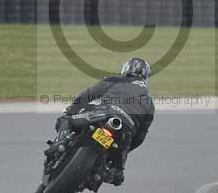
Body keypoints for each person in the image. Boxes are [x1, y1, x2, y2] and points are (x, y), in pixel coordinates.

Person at [53, 57, 154, 186]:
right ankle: (102, 174)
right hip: (125, 133)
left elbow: (88, 95)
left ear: (126, 70)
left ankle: (61, 143)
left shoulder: (115, 80)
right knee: (117, 173)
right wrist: (125, 150)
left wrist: (72, 109)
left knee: (66, 120)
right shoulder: (150, 103)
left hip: (103, 116)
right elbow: (140, 137)